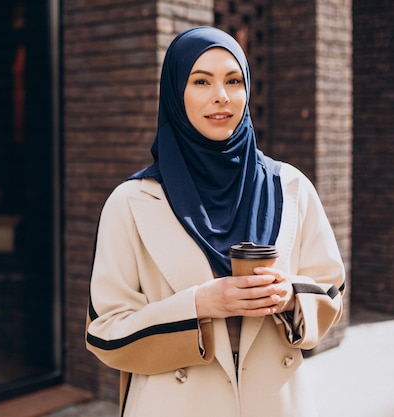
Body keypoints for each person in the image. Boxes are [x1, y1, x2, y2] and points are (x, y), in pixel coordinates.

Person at [85, 26, 345, 417]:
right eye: (201, 80)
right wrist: (200, 304)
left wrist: (291, 295)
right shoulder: (132, 202)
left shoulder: (290, 187)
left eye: (233, 80)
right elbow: (105, 331)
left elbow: (331, 291)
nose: (221, 96)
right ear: (176, 93)